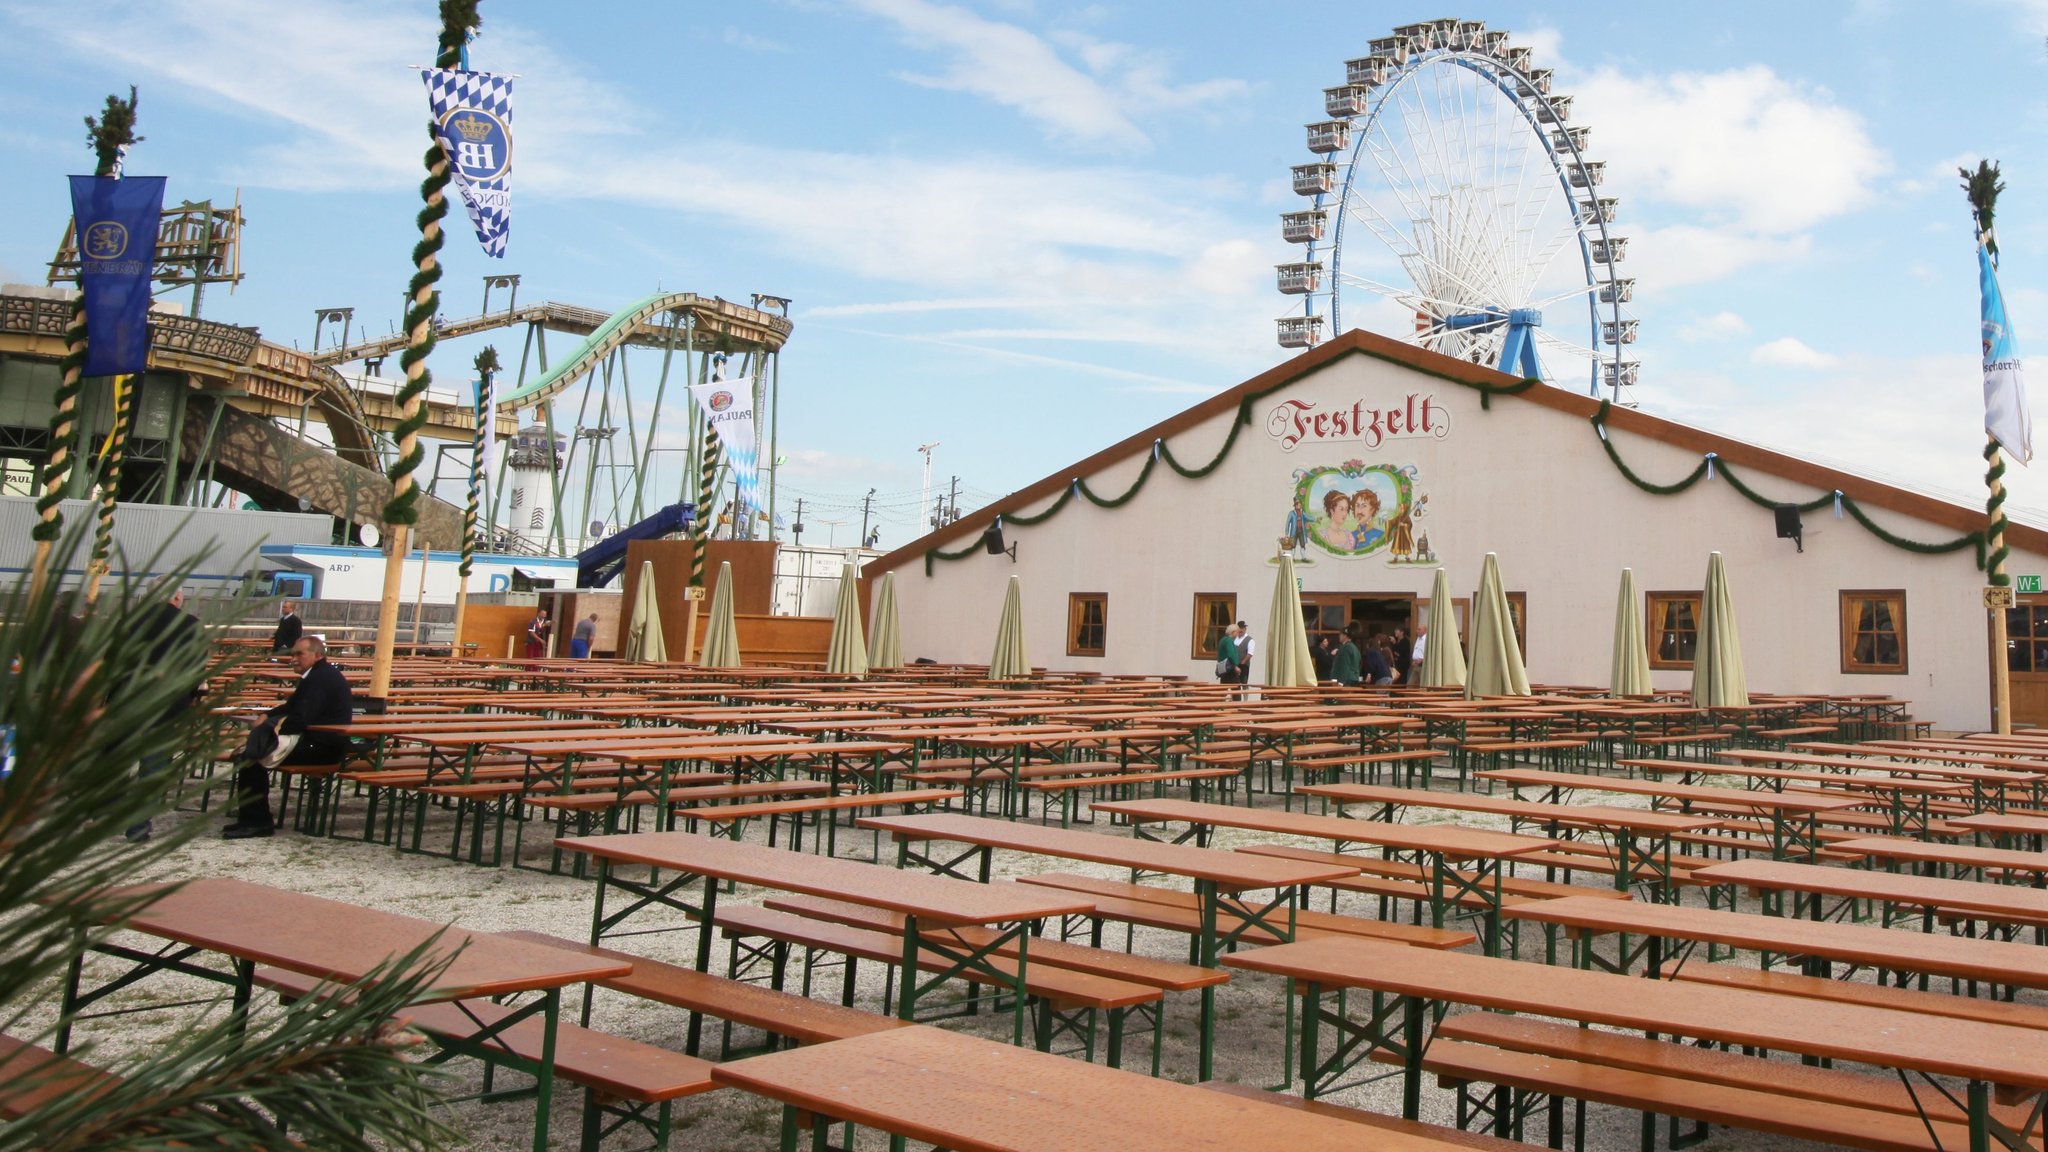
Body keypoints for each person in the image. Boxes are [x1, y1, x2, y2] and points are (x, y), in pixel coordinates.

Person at [227, 636, 352, 840]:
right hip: (315, 741)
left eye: (299, 654)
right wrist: (267, 715)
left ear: (317, 655)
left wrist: (273, 727)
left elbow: (301, 718)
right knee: (251, 755)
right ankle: (251, 819)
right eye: (292, 654)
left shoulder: (320, 679)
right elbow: (291, 707)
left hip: (322, 747)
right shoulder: (318, 675)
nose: (293, 658)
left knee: (252, 758)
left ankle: (257, 822)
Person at [127, 588, 203, 843]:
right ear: (178, 598)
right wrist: (192, 695)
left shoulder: (132, 621)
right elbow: (196, 666)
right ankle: (137, 825)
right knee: (154, 765)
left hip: (128, 701)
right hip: (168, 704)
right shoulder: (190, 625)